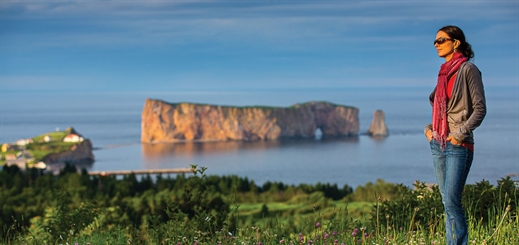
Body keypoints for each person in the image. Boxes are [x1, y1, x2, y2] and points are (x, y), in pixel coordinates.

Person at [424, 25, 486, 245]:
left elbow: (479, 109)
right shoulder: (443, 73)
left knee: (452, 202)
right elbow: (442, 109)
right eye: (435, 41)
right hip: (438, 142)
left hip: (458, 144)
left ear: (456, 42)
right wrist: (429, 130)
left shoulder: (468, 70)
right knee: (446, 203)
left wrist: (460, 134)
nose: (436, 45)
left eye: (441, 40)